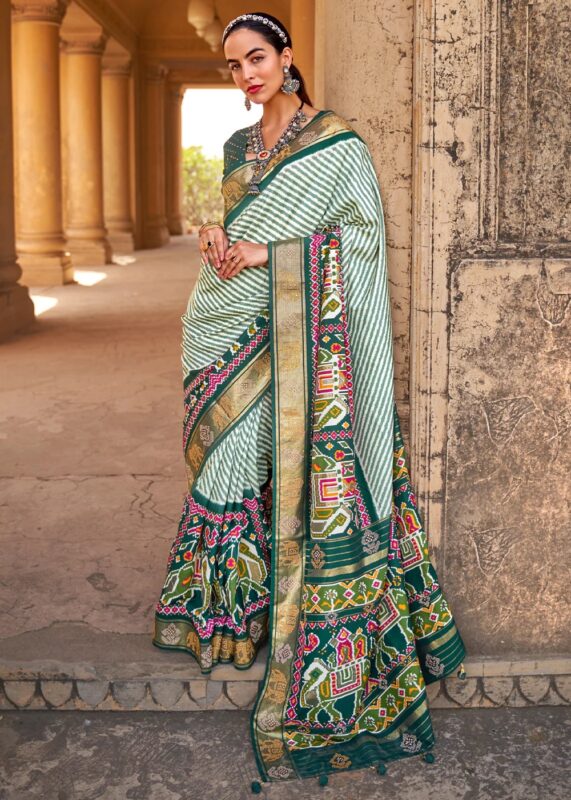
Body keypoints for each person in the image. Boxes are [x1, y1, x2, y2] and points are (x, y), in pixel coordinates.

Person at [152, 11, 467, 791]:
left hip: (298, 332)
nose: (247, 74)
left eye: (257, 57)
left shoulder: (338, 144)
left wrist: (276, 251)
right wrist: (219, 241)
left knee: (272, 472)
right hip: (225, 324)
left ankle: (275, 628)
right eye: (232, 65)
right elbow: (238, 223)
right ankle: (220, 624)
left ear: (286, 58)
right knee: (224, 465)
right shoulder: (236, 148)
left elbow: (358, 236)